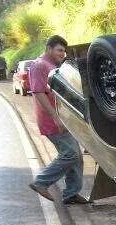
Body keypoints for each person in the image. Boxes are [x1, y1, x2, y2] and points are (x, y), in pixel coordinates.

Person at [27, 35, 89, 204]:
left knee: (76, 157)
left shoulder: (52, 65)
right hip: (52, 120)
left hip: (63, 118)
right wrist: (55, 117)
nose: (62, 54)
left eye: (64, 51)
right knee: (70, 155)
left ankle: (71, 194)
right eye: (59, 50)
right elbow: (38, 92)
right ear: (48, 49)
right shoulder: (39, 66)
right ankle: (41, 182)